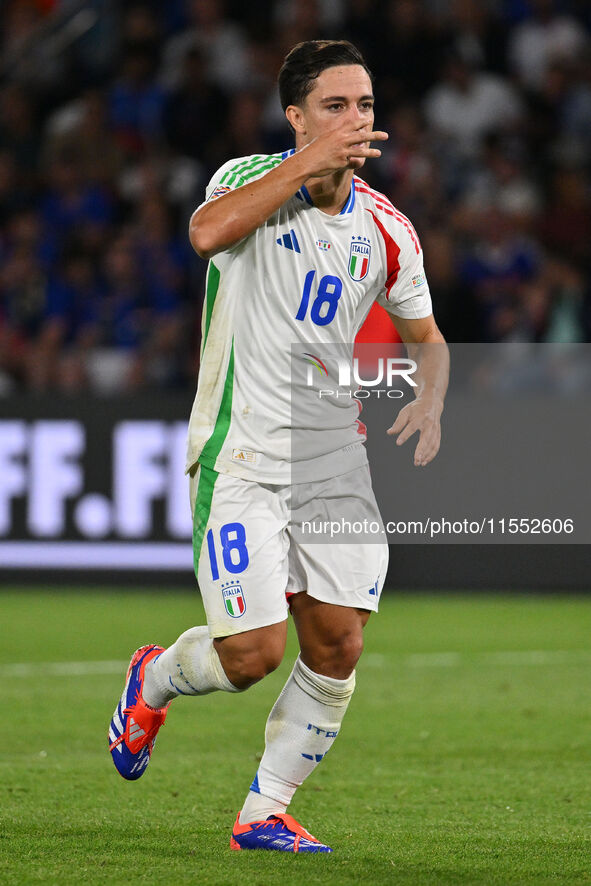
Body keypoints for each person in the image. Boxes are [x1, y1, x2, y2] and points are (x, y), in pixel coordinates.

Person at [108, 40, 449, 853]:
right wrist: (304, 167)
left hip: (334, 458)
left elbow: (426, 336)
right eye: (335, 107)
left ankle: (263, 812)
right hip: (243, 456)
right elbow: (204, 234)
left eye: (364, 106)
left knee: (338, 641)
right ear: (295, 118)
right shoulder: (246, 181)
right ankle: (154, 676)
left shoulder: (389, 230)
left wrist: (430, 395)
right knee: (252, 653)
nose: (355, 121)